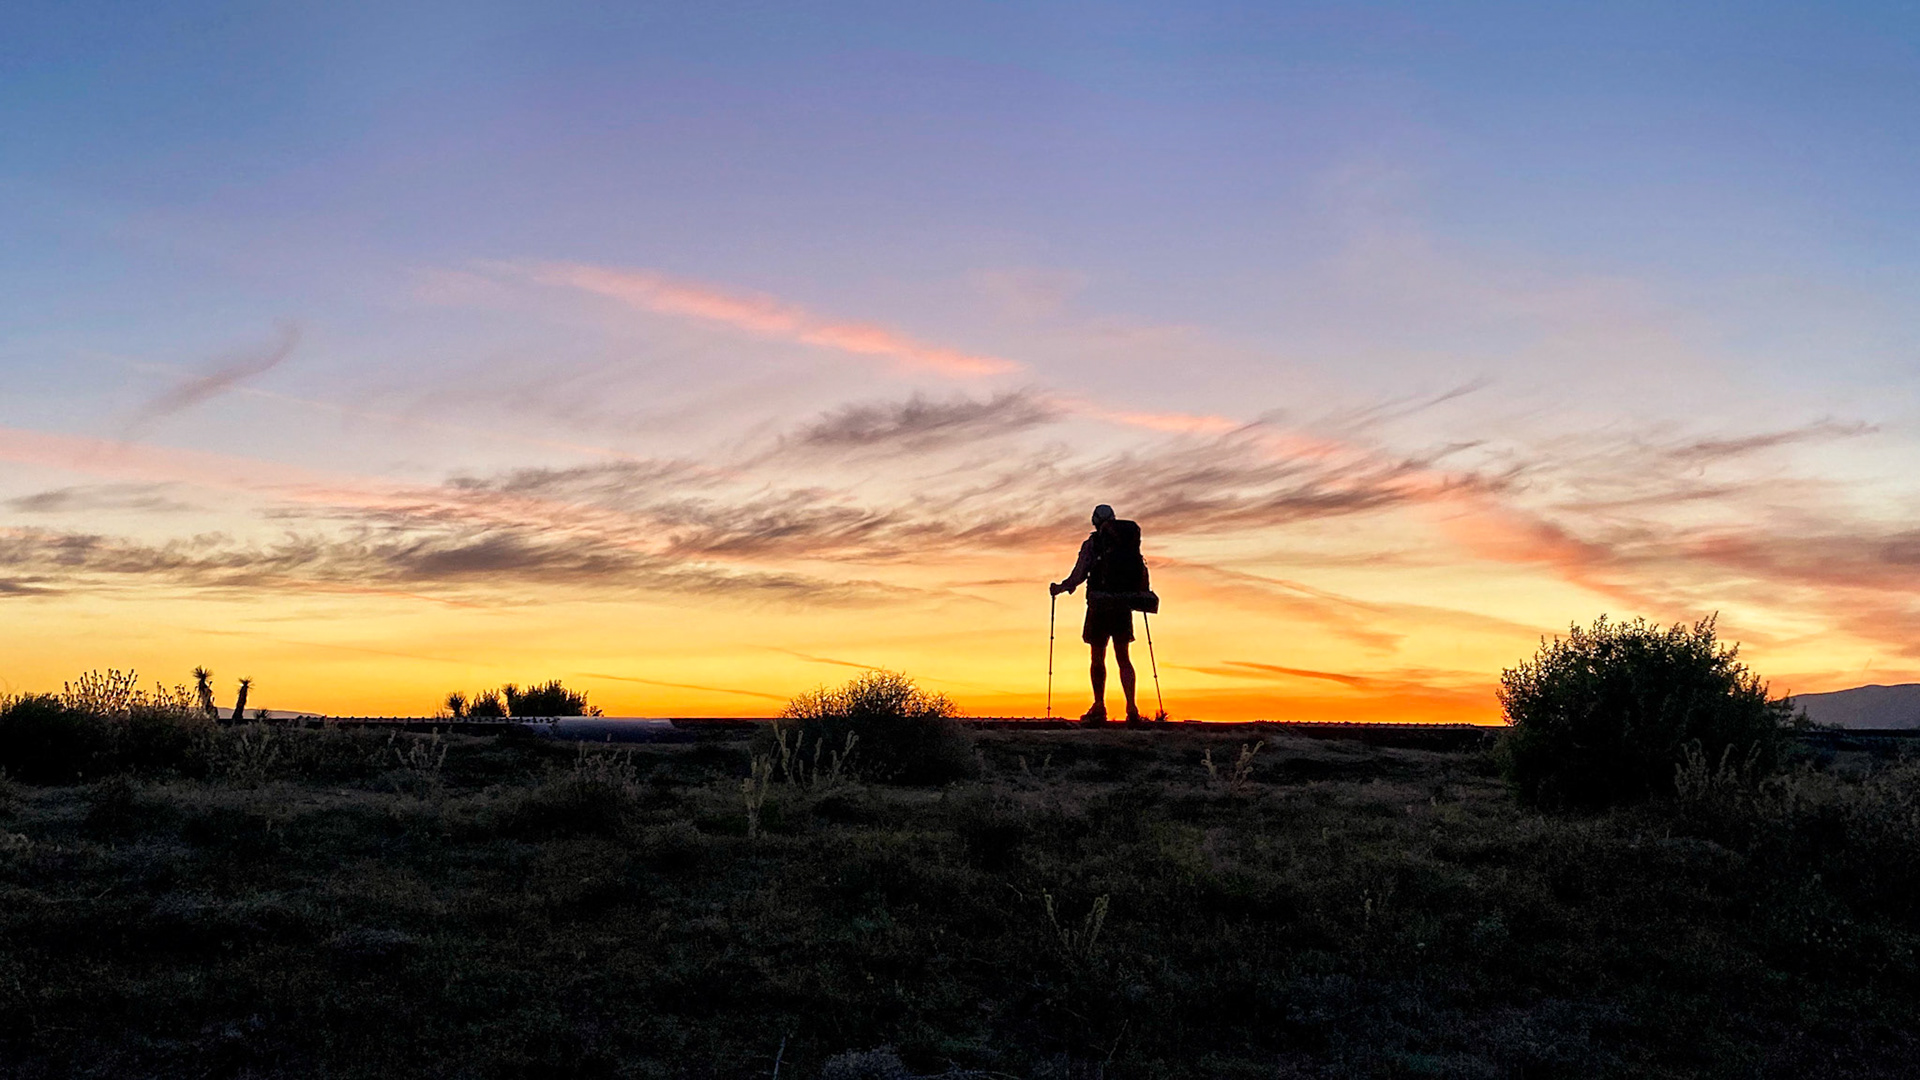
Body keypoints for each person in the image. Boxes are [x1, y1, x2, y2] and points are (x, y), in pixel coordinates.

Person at [1051, 504, 1149, 724]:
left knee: (1098, 657)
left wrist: (1062, 587)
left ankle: (1099, 706)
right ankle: (1132, 708)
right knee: (1124, 658)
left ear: (1094, 521)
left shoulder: (1093, 544)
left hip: (1099, 606)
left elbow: (1079, 573)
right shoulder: (1128, 543)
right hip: (1123, 605)